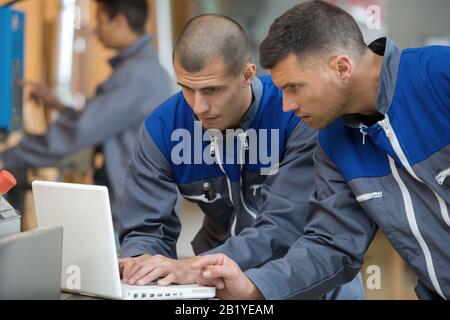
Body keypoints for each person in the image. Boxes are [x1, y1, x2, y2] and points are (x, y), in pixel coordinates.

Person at [193, 0, 450, 300]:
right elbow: (332, 245)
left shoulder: (440, 76)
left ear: (341, 67)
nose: (287, 105)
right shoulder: (332, 142)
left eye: (294, 87)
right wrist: (254, 287)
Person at [117, 14, 364, 300]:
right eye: (187, 88)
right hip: (219, 286)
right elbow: (146, 228)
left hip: (308, 284)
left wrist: (194, 268)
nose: (199, 106)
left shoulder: (298, 113)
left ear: (247, 75)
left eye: (212, 90)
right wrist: (142, 264)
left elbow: (285, 226)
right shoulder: (162, 129)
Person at [0, 0, 172, 230]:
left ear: (120, 21)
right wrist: (57, 105)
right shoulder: (145, 69)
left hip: (134, 215)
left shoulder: (134, 76)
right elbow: (101, 119)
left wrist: (8, 158)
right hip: (144, 207)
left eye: (100, 20)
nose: (94, 28)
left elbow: (79, 131)